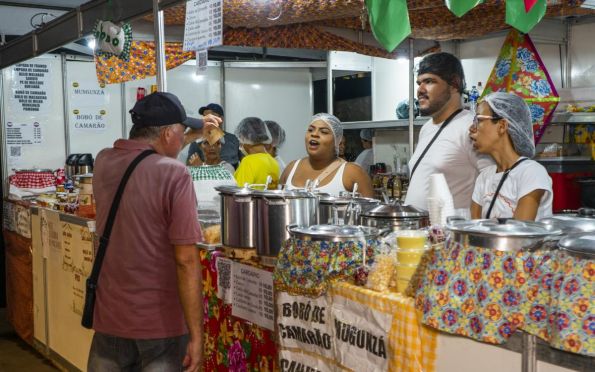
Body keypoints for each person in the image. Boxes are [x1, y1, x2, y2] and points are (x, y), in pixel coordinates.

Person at [88, 92, 221, 372]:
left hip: (110, 314)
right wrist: (197, 336)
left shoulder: (103, 161)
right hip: (158, 323)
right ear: (167, 134)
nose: (186, 138)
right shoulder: (174, 173)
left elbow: (154, 145)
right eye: (182, 132)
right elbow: (185, 260)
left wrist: (187, 129)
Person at [404, 52, 492, 211]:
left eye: (429, 81)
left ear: (454, 84)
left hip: (450, 233)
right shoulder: (426, 128)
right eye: (419, 83)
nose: (420, 90)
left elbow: (495, 186)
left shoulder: (471, 127)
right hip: (418, 232)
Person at [469, 92, 552, 220]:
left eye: (478, 120)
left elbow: (520, 231)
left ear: (502, 126)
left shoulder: (531, 173)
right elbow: (473, 230)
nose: (471, 128)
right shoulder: (484, 178)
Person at [281, 113, 373, 197]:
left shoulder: (352, 172)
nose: (314, 134)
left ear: (337, 141)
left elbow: (369, 212)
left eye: (324, 132)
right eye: (310, 130)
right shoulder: (291, 169)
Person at [234, 117, 280, 189]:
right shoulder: (274, 162)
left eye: (240, 139)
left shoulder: (248, 162)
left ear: (244, 137)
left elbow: (240, 194)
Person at [196, 103, 242, 168]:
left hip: (231, 176)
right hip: (205, 177)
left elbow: (244, 162)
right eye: (205, 116)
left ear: (221, 119)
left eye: (211, 116)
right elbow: (190, 165)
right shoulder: (198, 140)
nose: (207, 119)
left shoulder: (234, 139)